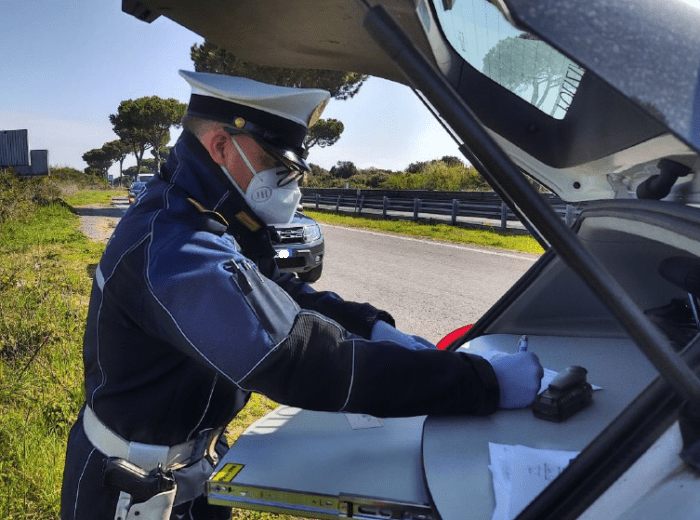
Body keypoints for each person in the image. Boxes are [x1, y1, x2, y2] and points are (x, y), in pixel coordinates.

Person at [60, 70, 543, 520]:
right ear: (222, 146)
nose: (288, 184)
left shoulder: (209, 215)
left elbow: (284, 293)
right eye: (276, 164)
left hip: (190, 472)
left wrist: (374, 326)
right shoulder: (175, 246)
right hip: (129, 491)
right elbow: (297, 359)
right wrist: (481, 382)